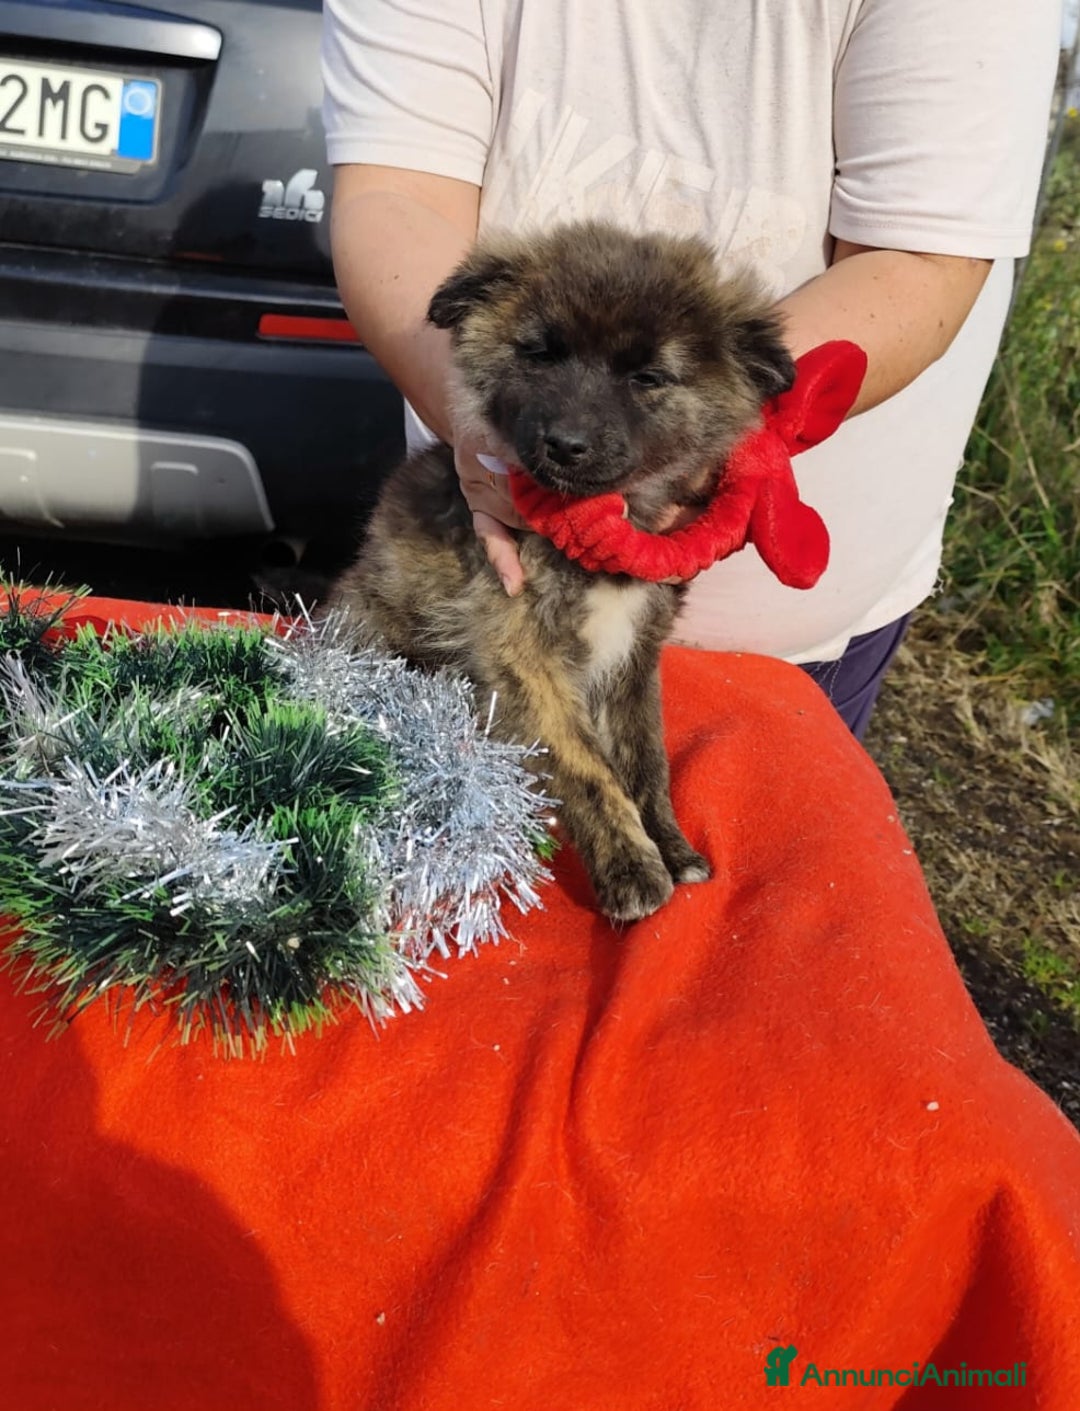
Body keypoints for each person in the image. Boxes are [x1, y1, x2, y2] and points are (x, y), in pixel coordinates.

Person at [319, 0, 1060, 739]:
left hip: (785, 629)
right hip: (483, 555)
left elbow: (919, 259)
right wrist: (484, 432)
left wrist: (721, 452)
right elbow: (394, 193)